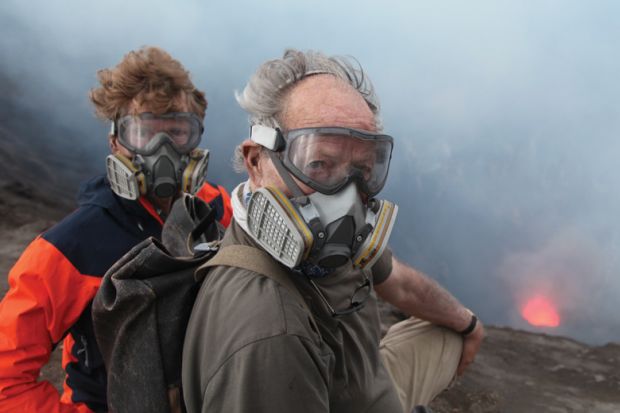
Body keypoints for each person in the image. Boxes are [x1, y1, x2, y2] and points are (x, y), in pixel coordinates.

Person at [182, 49, 483, 413]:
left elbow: (399, 282)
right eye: (319, 164)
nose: (346, 196)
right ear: (257, 162)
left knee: (447, 333)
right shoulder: (271, 335)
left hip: (366, 383)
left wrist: (467, 324)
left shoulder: (330, 244)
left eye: (362, 168)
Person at [0, 46, 232, 413]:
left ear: (196, 138)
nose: (163, 151)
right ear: (115, 142)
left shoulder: (217, 210)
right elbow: (6, 380)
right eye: (144, 133)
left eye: (176, 132)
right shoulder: (71, 247)